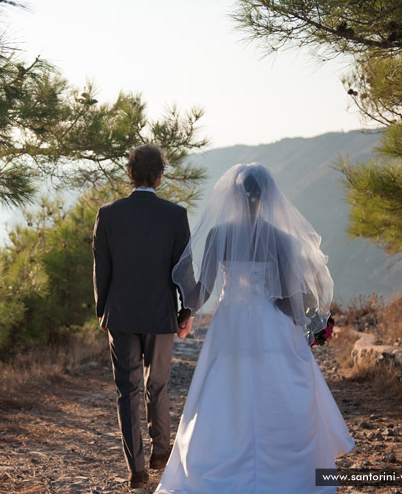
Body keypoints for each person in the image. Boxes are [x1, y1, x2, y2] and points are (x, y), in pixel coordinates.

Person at [156, 163, 355, 494]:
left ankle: (222, 464)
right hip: (271, 324)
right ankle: (287, 474)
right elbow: (290, 295)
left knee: (227, 394)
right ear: (267, 197)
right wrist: (309, 322)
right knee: (275, 391)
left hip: (231, 324)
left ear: (233, 196)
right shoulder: (281, 239)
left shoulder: (219, 235)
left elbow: (204, 289)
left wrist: (185, 311)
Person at [92, 144, 193, 489]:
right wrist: (186, 311)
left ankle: (136, 468)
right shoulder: (175, 215)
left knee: (127, 390)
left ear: (130, 174)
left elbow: (101, 269)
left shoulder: (108, 214)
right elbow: (184, 271)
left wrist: (102, 310)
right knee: (159, 384)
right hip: (161, 313)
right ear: (160, 177)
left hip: (119, 314)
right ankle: (161, 451)